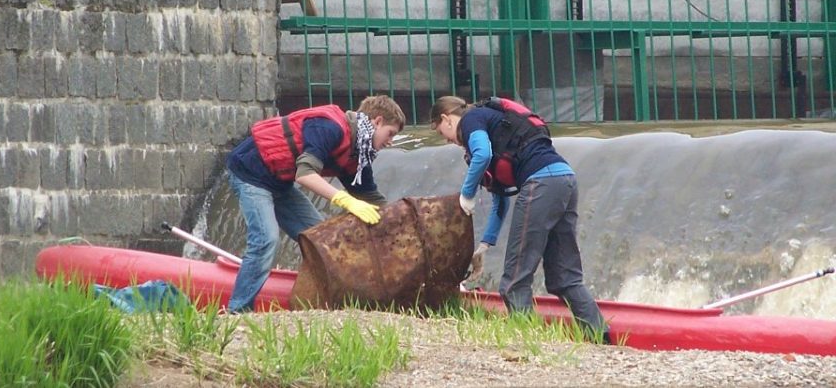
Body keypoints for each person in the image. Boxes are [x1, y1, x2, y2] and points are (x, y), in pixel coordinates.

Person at [430, 95, 609, 343]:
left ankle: (528, 344)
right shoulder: (496, 126)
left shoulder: (470, 119)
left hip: (541, 183)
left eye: (442, 133)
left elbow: (481, 155)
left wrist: (466, 195)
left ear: (446, 119)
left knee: (514, 282)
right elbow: (500, 200)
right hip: (565, 179)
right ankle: (602, 339)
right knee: (565, 279)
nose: (449, 140)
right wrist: (485, 245)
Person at [225, 95, 406, 313]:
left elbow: (371, 197)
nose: (390, 141)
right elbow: (305, 174)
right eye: (391, 133)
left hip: (279, 183)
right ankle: (237, 311)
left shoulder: (359, 151)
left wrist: (400, 221)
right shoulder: (329, 127)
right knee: (266, 239)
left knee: (323, 241)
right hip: (250, 173)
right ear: (377, 122)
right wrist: (344, 199)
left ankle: (324, 303)